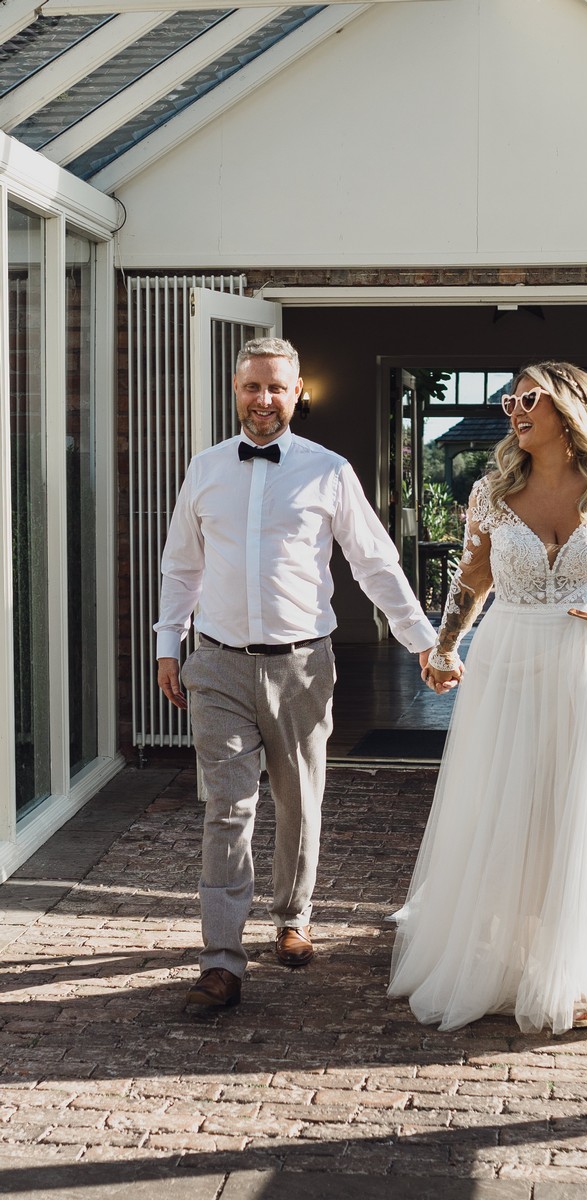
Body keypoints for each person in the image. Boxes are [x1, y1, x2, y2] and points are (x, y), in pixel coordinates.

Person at [156, 337, 437, 1010]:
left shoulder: (328, 471)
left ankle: (293, 915)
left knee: (300, 801)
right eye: (252, 386)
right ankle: (221, 961)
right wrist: (170, 644)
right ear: (235, 389)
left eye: (276, 387)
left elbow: (374, 562)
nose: (264, 399)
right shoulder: (205, 468)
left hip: (303, 665)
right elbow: (182, 565)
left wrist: (421, 641)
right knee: (227, 809)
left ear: (297, 392)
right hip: (218, 662)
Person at [388, 361, 587, 1034]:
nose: (514, 410)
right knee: (505, 801)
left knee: (576, 805)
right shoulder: (490, 492)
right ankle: (502, 960)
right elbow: (472, 579)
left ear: (569, 409)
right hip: (508, 658)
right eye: (511, 399)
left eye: (528, 398)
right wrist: (445, 646)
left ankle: (571, 963)